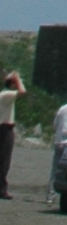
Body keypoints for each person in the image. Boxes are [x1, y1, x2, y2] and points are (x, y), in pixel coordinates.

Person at [0, 68, 21, 199]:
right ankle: (2, 189)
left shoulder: (3, 94)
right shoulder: (7, 94)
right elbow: (22, 92)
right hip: (5, 128)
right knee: (4, 160)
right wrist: (18, 79)